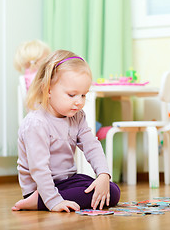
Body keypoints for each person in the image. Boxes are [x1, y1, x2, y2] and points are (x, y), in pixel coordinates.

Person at [12, 50, 120, 212]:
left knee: (112, 190)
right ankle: (38, 202)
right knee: (99, 193)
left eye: (83, 95)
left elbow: (92, 146)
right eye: (72, 95)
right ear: (48, 89)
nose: (79, 102)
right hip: (40, 186)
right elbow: (38, 168)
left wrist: (103, 175)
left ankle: (49, 200)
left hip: (67, 181)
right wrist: (53, 201)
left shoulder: (77, 116)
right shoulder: (36, 123)